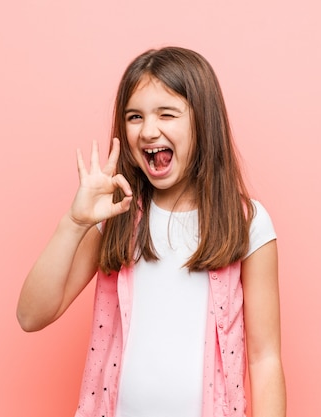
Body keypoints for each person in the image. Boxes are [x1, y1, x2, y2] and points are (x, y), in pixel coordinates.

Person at [17, 46, 286, 417]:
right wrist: (75, 222)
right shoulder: (116, 216)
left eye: (167, 114)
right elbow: (31, 316)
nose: (147, 130)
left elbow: (265, 358)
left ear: (203, 122)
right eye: (134, 116)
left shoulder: (247, 222)